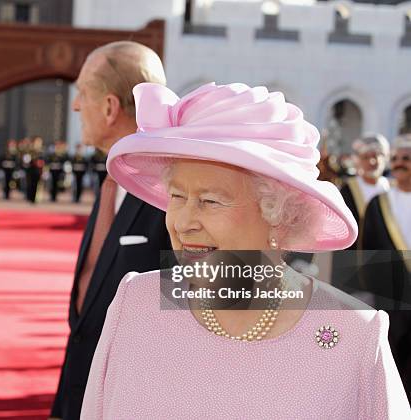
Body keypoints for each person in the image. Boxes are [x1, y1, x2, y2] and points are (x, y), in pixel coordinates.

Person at [81, 82, 411, 418]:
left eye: (209, 201)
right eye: (177, 197)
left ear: (279, 213)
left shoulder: (353, 335)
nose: (182, 222)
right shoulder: (137, 302)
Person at [51, 41, 171, 420]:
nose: (74, 106)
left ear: (109, 107)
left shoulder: (170, 193)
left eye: (82, 94)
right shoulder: (113, 181)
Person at [362, 135, 411, 399]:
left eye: (406, 159)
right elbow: (367, 251)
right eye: (396, 159)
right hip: (390, 295)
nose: (400, 163)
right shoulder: (379, 203)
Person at [339, 134, 390, 248]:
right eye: (366, 157)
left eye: (377, 155)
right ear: (358, 160)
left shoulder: (392, 186)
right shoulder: (348, 189)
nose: (372, 161)